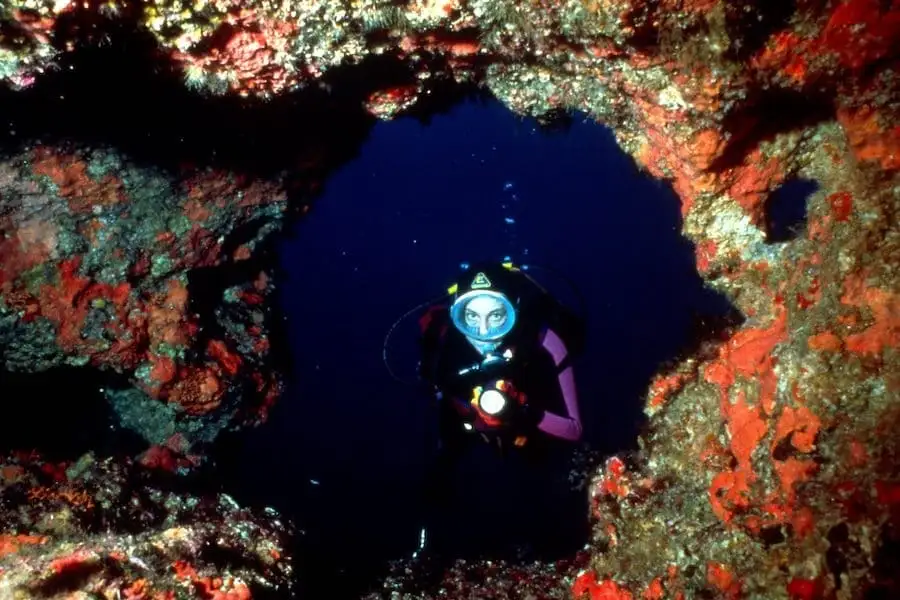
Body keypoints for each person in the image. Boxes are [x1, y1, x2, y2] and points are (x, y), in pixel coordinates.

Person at [414, 261, 585, 558]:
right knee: (441, 469)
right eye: (471, 318)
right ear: (457, 316)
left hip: (529, 427)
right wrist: (472, 414)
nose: (483, 333)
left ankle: (558, 543)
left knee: (549, 477)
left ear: (514, 313)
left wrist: (522, 411)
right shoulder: (445, 343)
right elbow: (435, 386)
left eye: (496, 317)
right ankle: (426, 548)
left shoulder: (545, 342)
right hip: (464, 421)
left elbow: (574, 429)